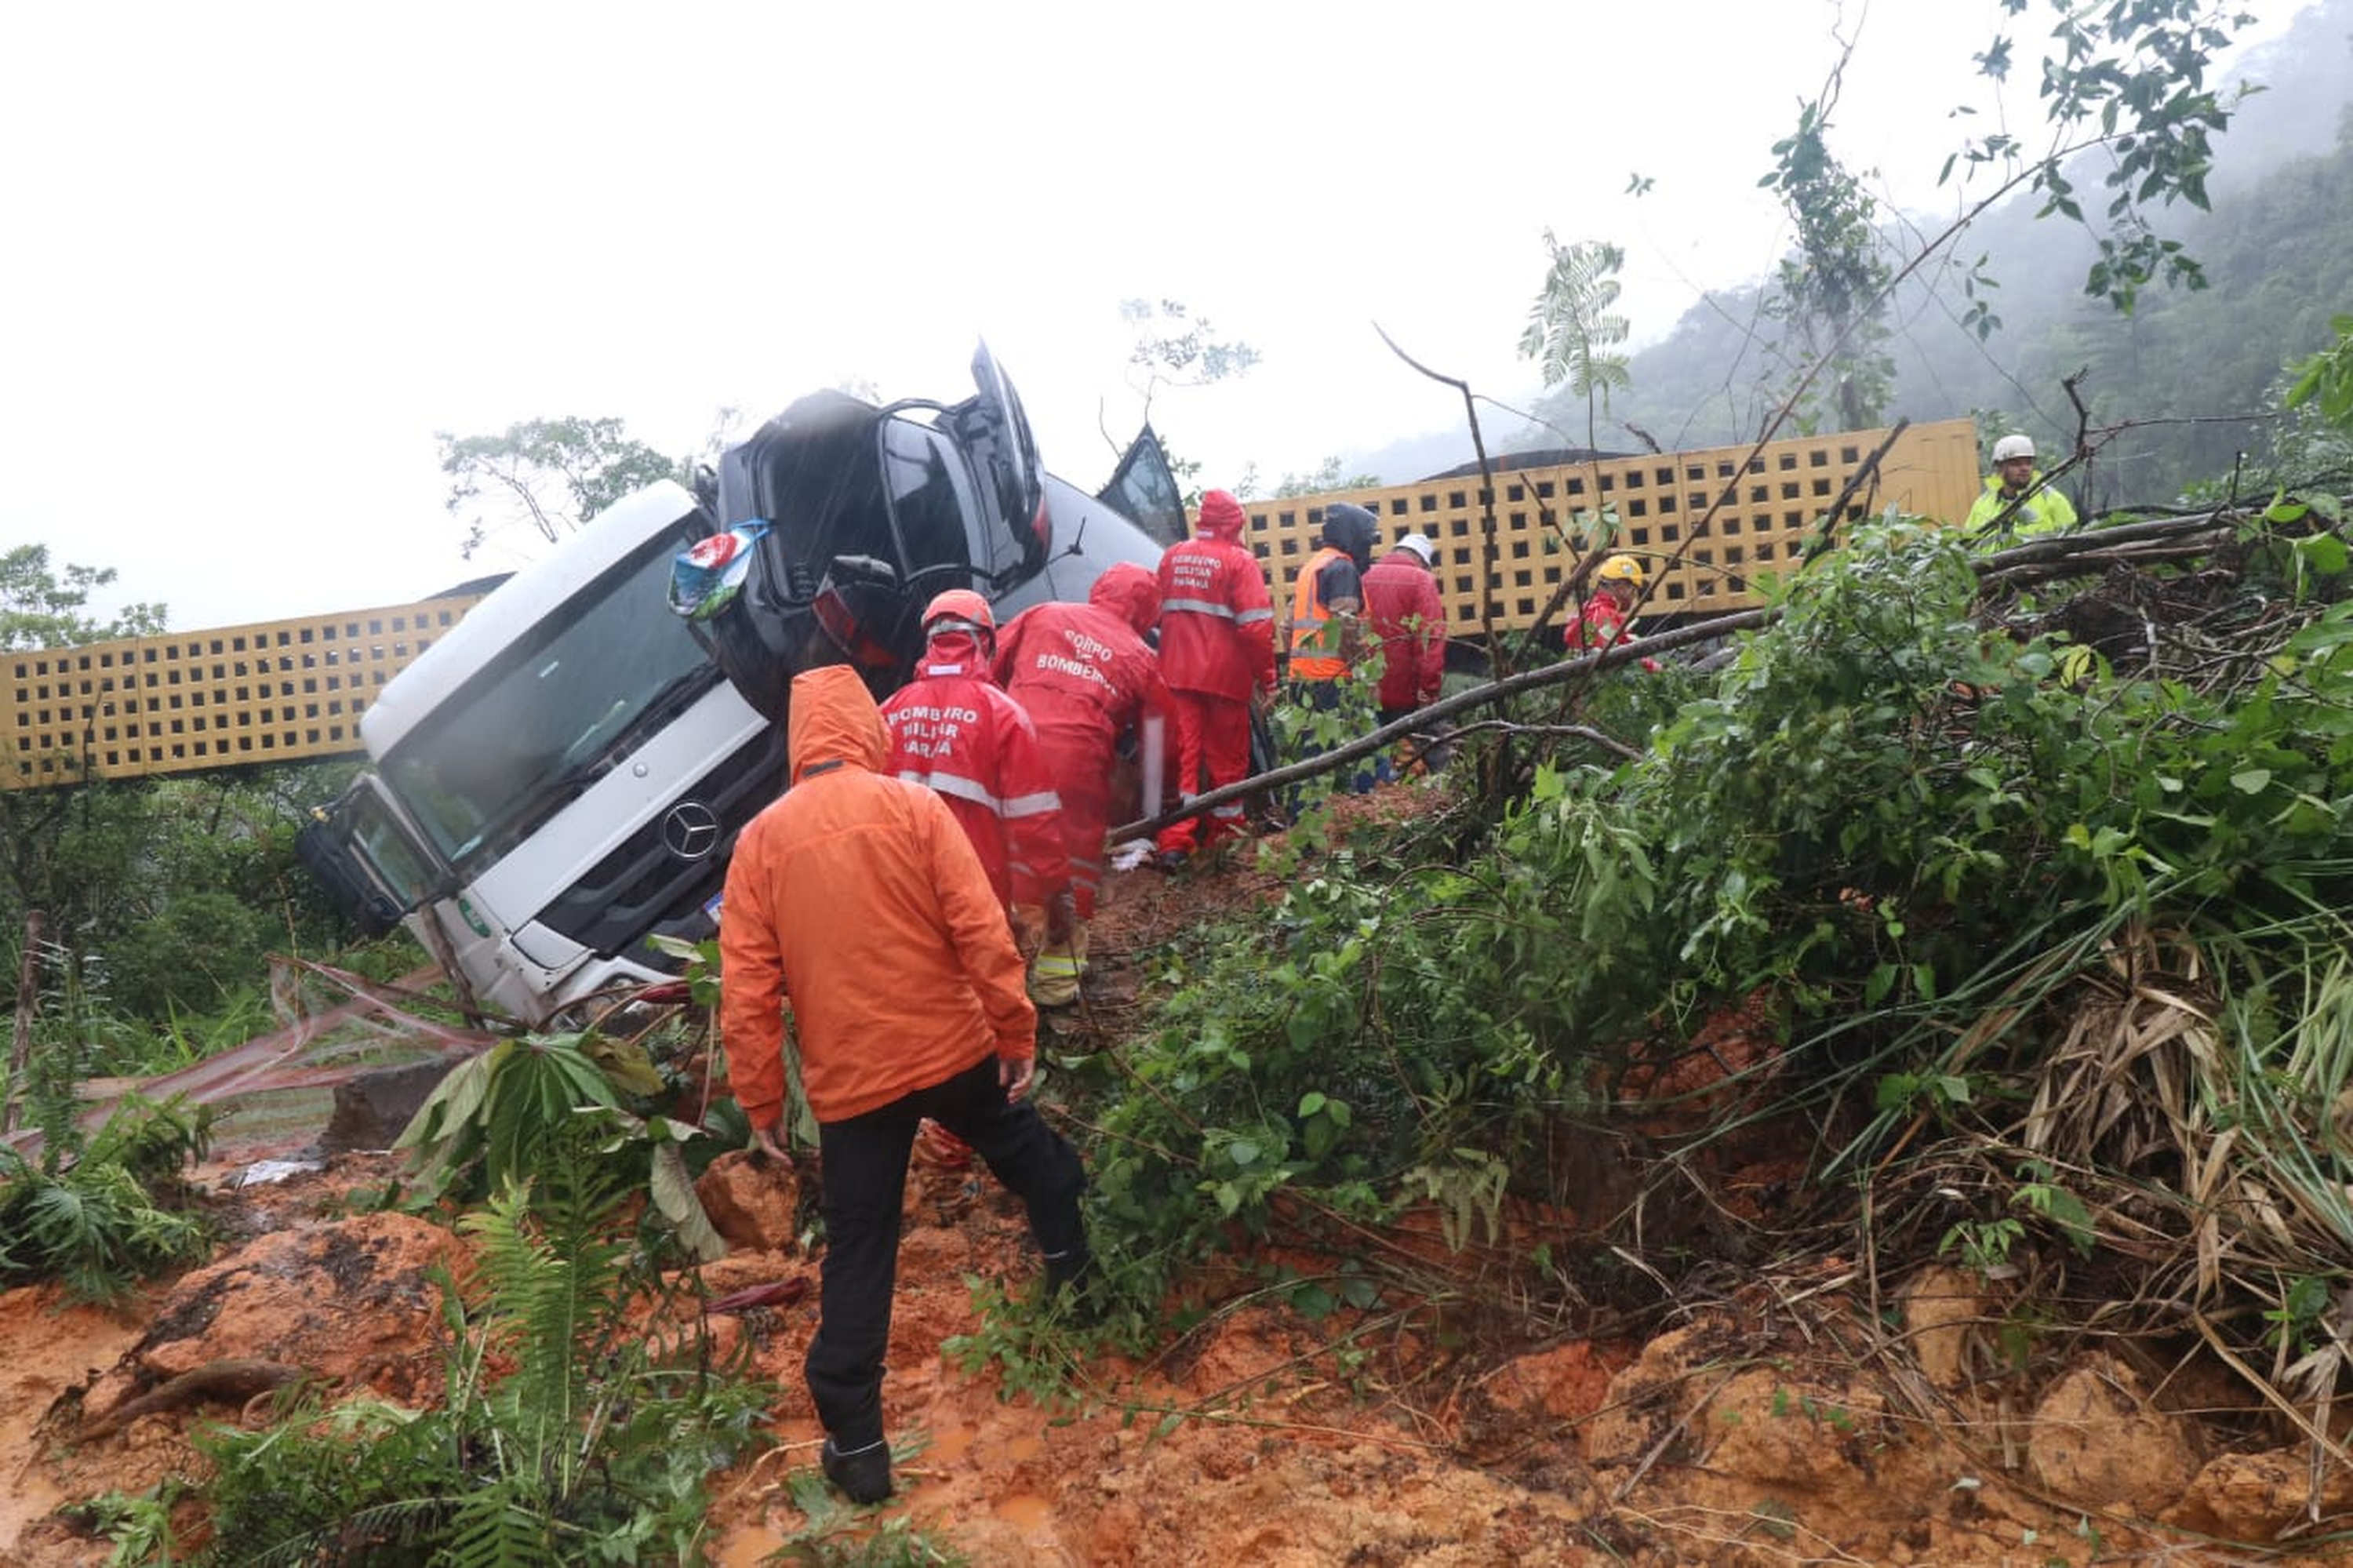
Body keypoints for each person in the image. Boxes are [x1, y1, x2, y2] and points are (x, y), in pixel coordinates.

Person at [720, 664, 1089, 1507]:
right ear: (864, 729)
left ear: (798, 743)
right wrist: (1014, 1027)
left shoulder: (760, 844)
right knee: (1024, 1149)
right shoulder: (914, 808)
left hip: (852, 1085)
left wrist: (764, 1103)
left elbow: (746, 992)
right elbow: (980, 926)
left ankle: (858, 1447)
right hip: (953, 1047)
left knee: (861, 1244)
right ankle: (1077, 1268)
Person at [991, 562, 1172, 1007]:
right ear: (1148, 612)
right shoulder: (1141, 657)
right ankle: (1056, 993)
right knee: (1072, 876)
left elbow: (988, 667)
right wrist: (1155, 815)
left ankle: (997, 982)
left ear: (1100, 589)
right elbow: (1159, 748)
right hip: (1077, 768)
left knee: (1002, 860)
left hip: (1010, 748)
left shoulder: (1044, 614)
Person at [880, 589, 1074, 944]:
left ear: (929, 643)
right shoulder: (1002, 713)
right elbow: (1034, 819)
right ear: (985, 643)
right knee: (980, 983)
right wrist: (1054, 889)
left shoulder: (889, 711)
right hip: (975, 878)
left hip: (899, 879)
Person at [1155, 489, 1276, 853]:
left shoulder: (1173, 556)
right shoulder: (1240, 562)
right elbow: (1256, 628)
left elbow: (1155, 608)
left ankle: (1175, 842)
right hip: (1225, 679)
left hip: (1176, 674)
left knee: (1182, 762)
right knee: (1227, 764)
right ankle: (1225, 839)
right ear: (1235, 522)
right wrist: (1268, 677)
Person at [1285, 502, 1381, 795]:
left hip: (1303, 680)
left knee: (1312, 765)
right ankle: (1374, 815)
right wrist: (1365, 676)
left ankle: (1305, 826)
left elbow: (1287, 626)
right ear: (1354, 536)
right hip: (1335, 679)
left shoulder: (1311, 567)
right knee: (1370, 751)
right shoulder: (1342, 569)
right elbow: (1346, 628)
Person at [1362, 530, 1446, 729]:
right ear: (1421, 559)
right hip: (1406, 696)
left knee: (1374, 755)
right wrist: (1429, 690)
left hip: (1367, 691)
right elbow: (1429, 639)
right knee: (1424, 751)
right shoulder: (1422, 580)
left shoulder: (1363, 575)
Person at [1966, 433, 2078, 540]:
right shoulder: (1981, 506)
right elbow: (1967, 547)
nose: (2025, 468)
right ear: (1999, 468)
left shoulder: (2052, 499)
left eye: (2028, 463)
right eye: (2016, 463)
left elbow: (2074, 538)